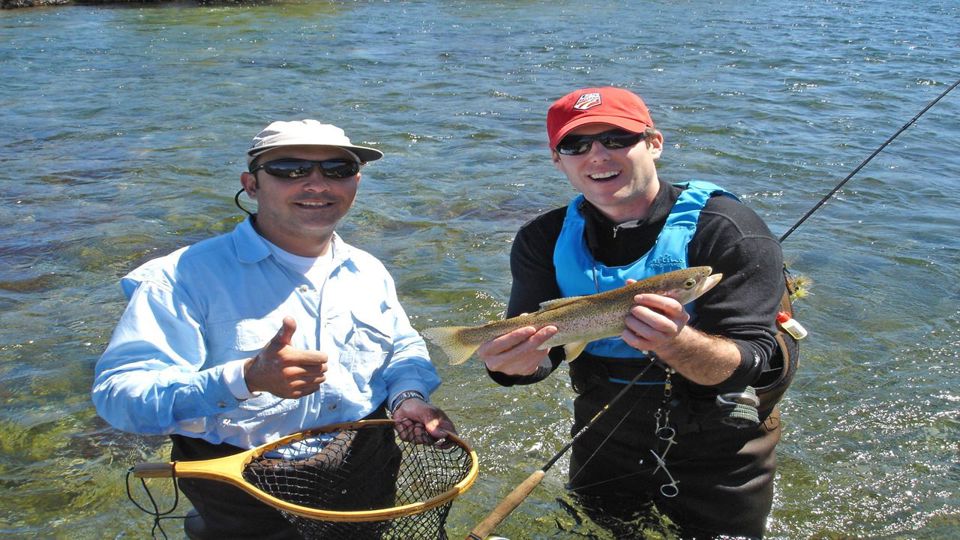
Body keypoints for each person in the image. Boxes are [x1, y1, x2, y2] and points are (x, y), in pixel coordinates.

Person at [92, 119, 456, 539]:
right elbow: (120, 397)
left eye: (337, 169)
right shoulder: (180, 278)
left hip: (365, 466)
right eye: (289, 169)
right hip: (243, 483)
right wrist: (244, 379)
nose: (317, 184)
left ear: (355, 181)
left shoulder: (369, 270)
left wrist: (409, 397)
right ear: (251, 184)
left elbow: (401, 346)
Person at [478, 87, 799, 538]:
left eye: (616, 138)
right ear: (558, 159)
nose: (597, 155)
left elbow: (750, 364)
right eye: (576, 145)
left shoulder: (730, 232)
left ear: (654, 143)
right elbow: (543, 354)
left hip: (722, 440)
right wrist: (511, 366)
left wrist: (677, 342)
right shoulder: (541, 238)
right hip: (603, 425)